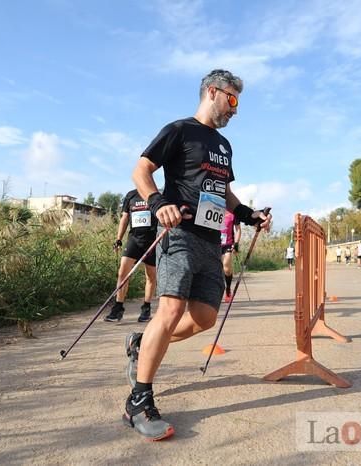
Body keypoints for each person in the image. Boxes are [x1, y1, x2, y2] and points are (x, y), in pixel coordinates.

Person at [124, 69, 272, 440]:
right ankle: (138, 401)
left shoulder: (224, 146)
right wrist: (158, 203)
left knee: (204, 318)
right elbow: (140, 170)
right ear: (213, 91)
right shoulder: (179, 130)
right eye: (232, 100)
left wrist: (248, 215)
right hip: (179, 233)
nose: (235, 110)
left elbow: (224, 193)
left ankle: (141, 345)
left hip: (210, 241)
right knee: (171, 310)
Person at [104, 189, 157, 323]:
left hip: (152, 241)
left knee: (150, 275)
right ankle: (118, 308)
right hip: (134, 240)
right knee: (123, 273)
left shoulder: (156, 194)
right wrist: (118, 239)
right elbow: (125, 217)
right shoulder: (130, 195)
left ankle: (146, 308)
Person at [220, 209, 241, 303]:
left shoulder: (233, 214)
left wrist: (236, 244)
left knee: (227, 268)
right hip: (214, 244)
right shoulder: (213, 209)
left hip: (227, 244)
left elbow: (238, 229)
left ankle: (228, 289)